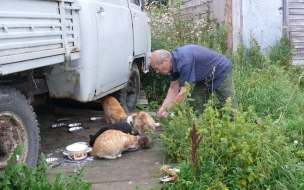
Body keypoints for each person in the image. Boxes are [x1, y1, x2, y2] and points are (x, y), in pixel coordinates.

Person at [150, 44, 238, 119]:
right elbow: (174, 88)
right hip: (204, 77)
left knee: (229, 107)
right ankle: (197, 133)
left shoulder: (184, 61)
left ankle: (237, 133)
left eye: (157, 68)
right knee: (196, 105)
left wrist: (168, 110)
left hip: (220, 70)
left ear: (166, 61)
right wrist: (163, 108)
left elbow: (184, 92)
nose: (157, 72)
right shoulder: (173, 63)